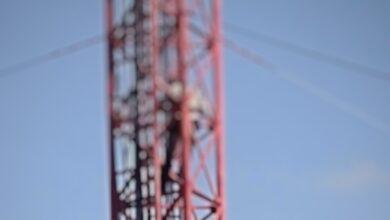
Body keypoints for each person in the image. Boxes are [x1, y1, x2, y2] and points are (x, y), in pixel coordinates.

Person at [159, 78, 211, 194]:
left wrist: (160, 84)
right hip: (181, 126)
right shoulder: (193, 93)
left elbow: (170, 97)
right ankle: (176, 176)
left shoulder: (184, 91)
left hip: (182, 126)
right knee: (178, 154)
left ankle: (175, 177)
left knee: (176, 155)